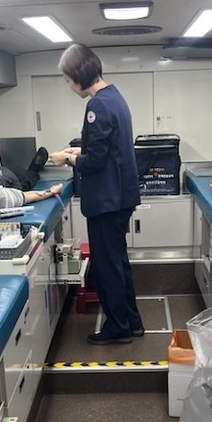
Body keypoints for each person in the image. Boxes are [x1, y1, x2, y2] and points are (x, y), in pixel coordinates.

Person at [48, 43, 143, 345]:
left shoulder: (97, 106)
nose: (68, 85)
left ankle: (118, 328)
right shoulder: (115, 97)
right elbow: (110, 149)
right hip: (120, 197)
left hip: (107, 201)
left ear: (79, 75)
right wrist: (80, 151)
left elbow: (97, 161)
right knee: (118, 262)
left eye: (68, 79)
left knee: (106, 267)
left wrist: (68, 159)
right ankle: (132, 321)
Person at [0, 147, 64, 212]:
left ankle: (34, 169)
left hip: (12, 177)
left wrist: (50, 192)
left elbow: (23, 197)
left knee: (30, 176)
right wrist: (51, 192)